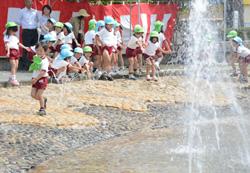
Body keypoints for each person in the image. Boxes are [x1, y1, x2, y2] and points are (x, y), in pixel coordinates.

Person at [4, 22, 30, 86]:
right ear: (9, 29)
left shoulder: (15, 37)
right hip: (11, 51)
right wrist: (8, 52)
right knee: (13, 65)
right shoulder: (6, 36)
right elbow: (7, 44)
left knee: (16, 66)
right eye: (13, 29)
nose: (14, 31)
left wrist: (25, 47)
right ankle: (13, 79)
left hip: (17, 51)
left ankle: (11, 78)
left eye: (15, 29)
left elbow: (18, 43)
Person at [17, 0, 39, 70]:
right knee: (26, 48)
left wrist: (36, 25)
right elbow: (17, 20)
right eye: (28, 2)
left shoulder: (35, 11)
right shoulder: (22, 11)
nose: (30, 3)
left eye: (31, 2)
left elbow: (38, 20)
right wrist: (24, 24)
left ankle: (35, 65)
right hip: (26, 31)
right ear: (25, 3)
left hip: (34, 31)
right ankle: (25, 66)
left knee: (35, 48)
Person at [30, 43, 49, 116]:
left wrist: (36, 79)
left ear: (45, 51)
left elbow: (43, 72)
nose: (39, 52)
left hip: (42, 79)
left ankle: (42, 109)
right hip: (35, 77)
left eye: (41, 51)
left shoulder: (45, 61)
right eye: (37, 50)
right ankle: (44, 100)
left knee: (39, 94)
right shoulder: (36, 57)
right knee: (33, 95)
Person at [95, 16, 115, 81]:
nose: (112, 25)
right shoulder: (103, 30)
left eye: (112, 24)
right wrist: (101, 43)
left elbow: (112, 37)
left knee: (109, 61)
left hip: (111, 47)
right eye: (110, 24)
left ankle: (105, 74)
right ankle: (107, 74)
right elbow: (96, 36)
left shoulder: (112, 30)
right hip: (105, 47)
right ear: (106, 24)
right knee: (107, 60)